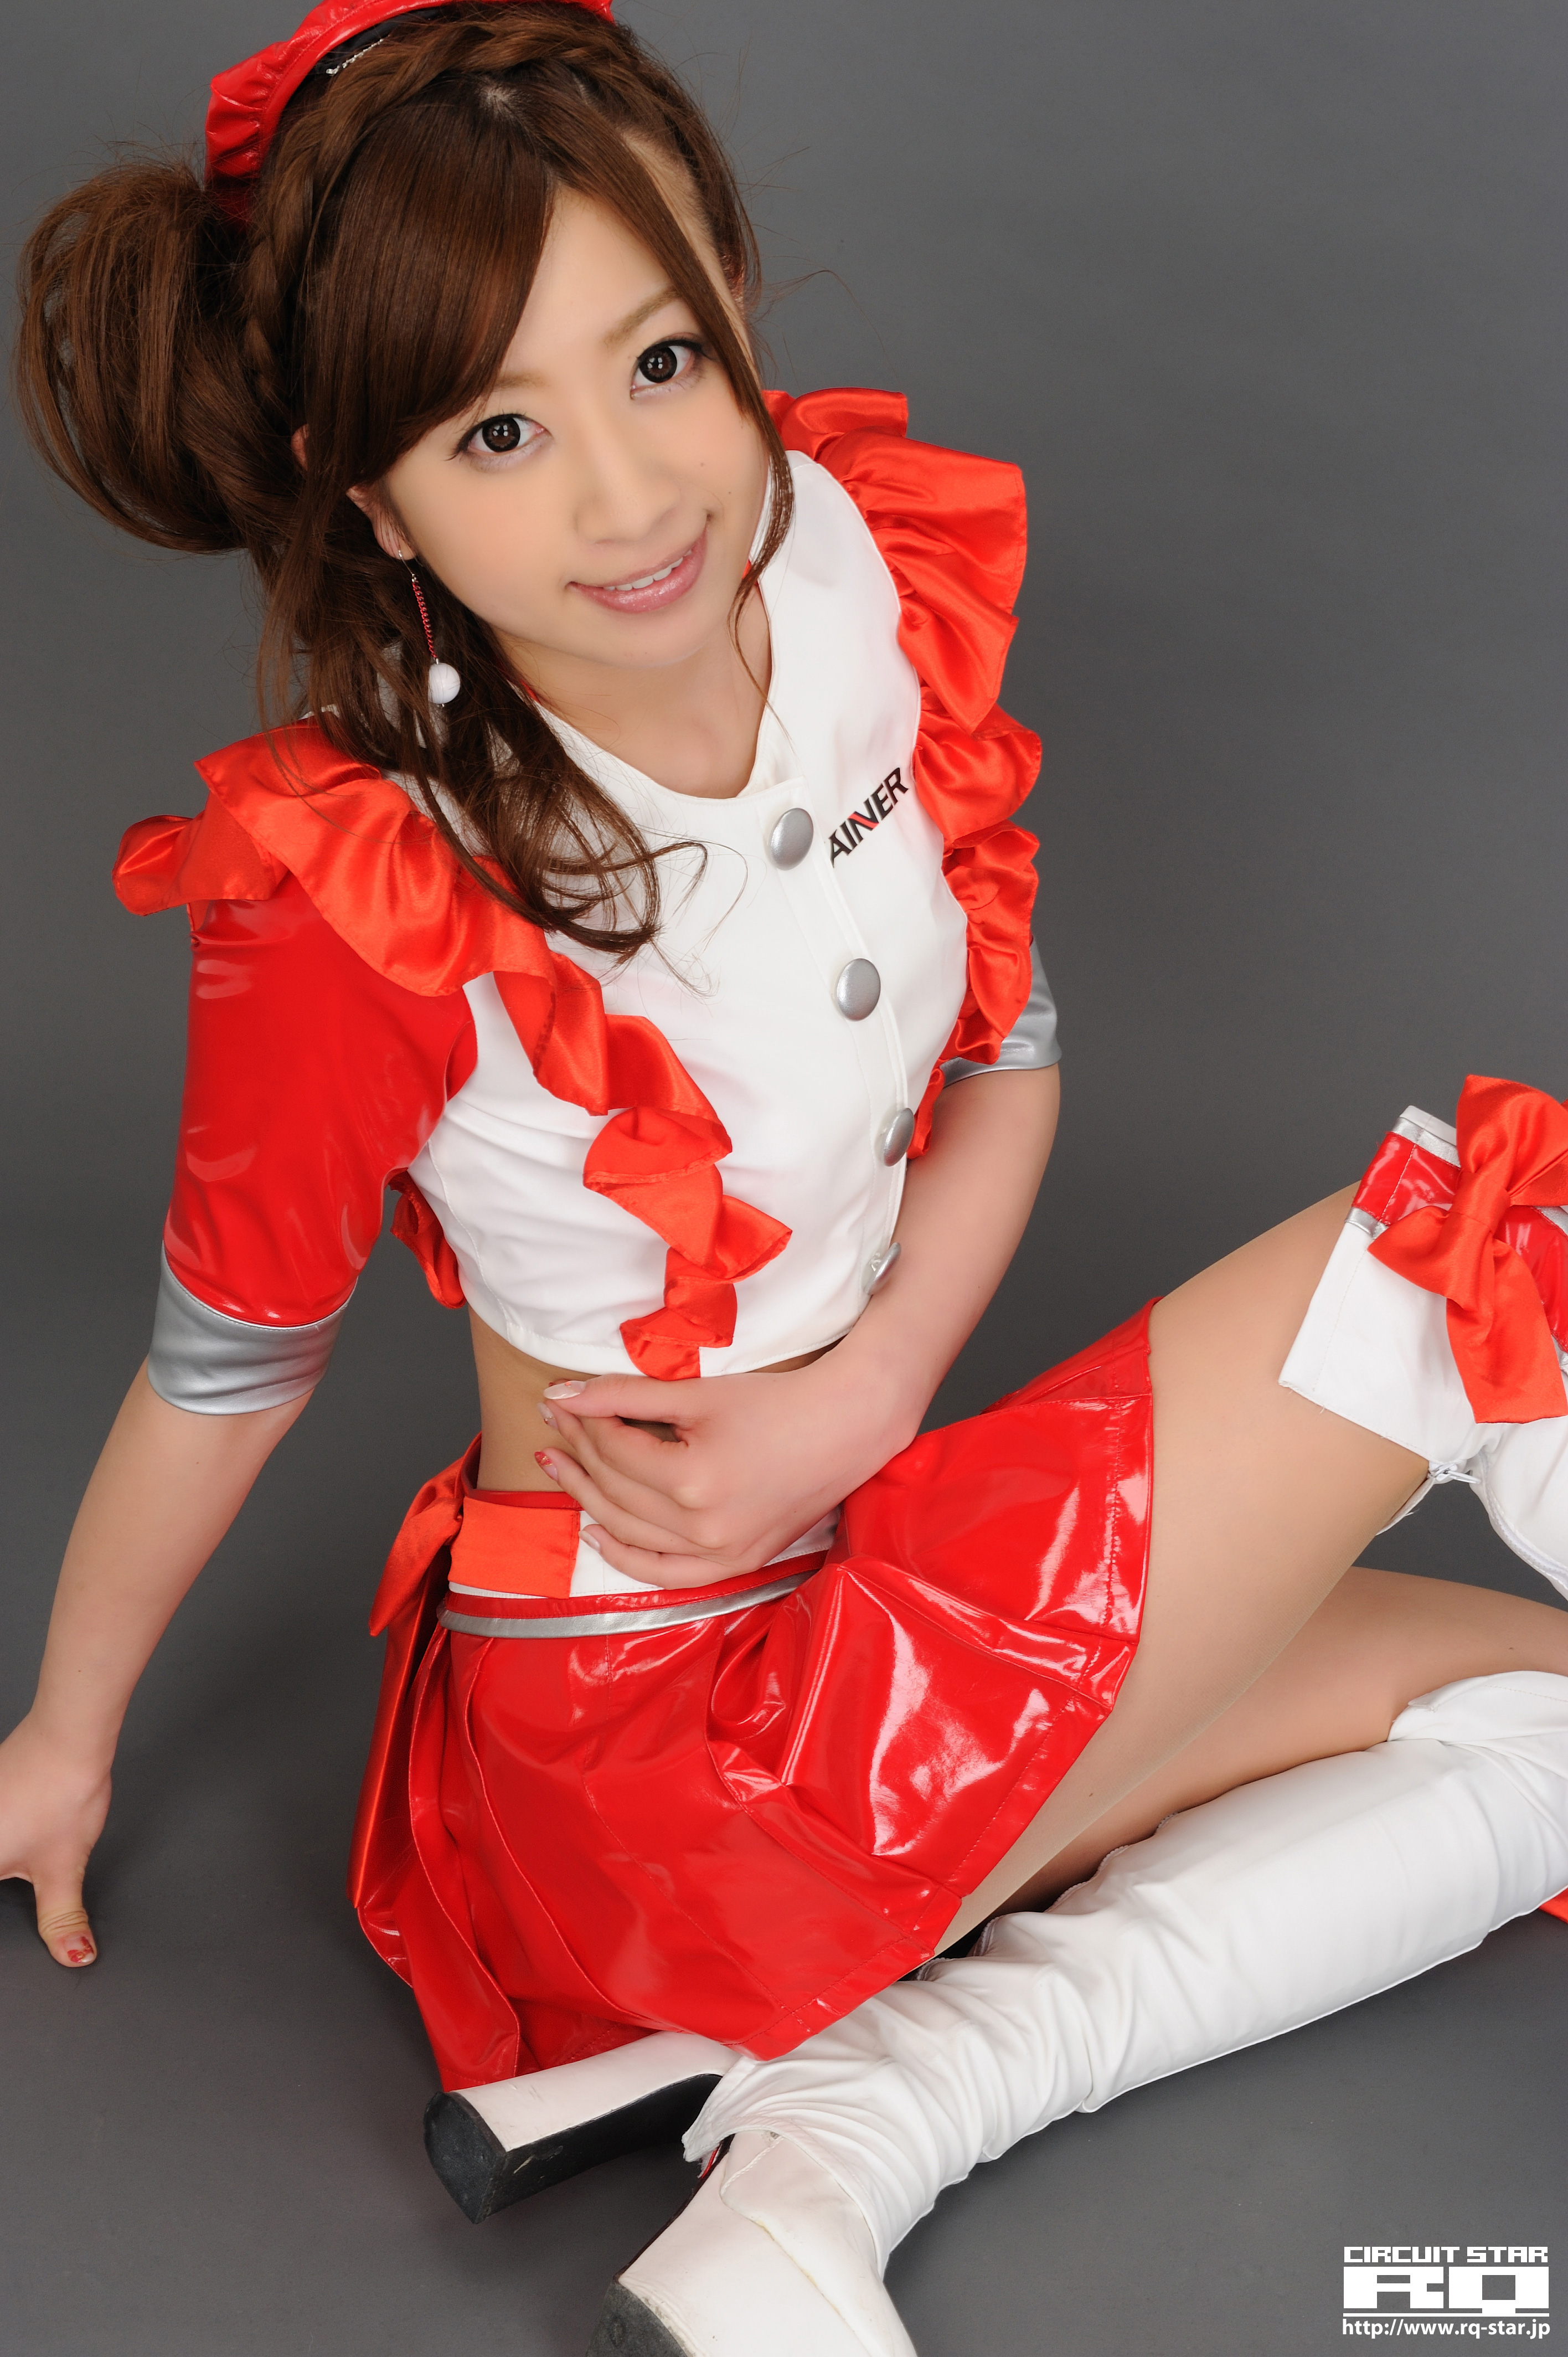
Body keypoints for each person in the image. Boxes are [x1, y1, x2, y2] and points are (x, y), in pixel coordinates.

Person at [7, 4, 1568, 2351]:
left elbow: (1013, 1056)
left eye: (659, 363)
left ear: (734, 301)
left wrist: (874, 1389)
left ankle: (845, 2134)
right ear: (367, 490)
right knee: (1482, 1256)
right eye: (501, 431)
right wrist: (63, 1740)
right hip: (660, 1766)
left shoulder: (852, 578)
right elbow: (224, 1367)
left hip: (877, 1590)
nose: (630, 495)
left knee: (1549, 1719)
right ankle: (762, 2048)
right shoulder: (360, 882)